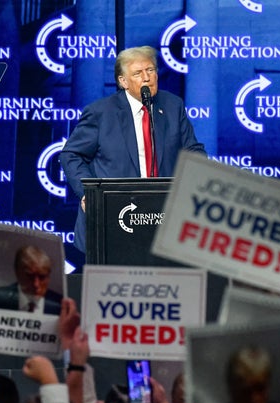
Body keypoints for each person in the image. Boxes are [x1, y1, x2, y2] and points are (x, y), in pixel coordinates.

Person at [59, 45, 206, 253]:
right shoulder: (100, 113)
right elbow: (71, 155)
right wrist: (88, 194)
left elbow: (194, 150)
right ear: (123, 82)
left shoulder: (173, 106)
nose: (147, 78)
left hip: (162, 219)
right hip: (114, 220)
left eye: (151, 70)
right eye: (138, 73)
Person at [0, 245, 62, 314]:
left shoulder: (60, 305)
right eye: (30, 276)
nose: (36, 284)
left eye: (42, 277)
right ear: (17, 273)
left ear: (48, 276)